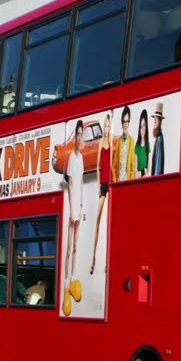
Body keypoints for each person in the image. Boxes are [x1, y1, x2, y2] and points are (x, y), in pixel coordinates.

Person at [63, 119, 86, 315]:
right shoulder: (71, 157)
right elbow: (70, 184)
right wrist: (72, 208)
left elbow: (80, 184)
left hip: (78, 204)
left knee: (76, 246)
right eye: (77, 134)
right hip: (72, 206)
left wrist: (81, 205)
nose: (79, 138)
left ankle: (72, 278)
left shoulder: (82, 158)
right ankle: (65, 287)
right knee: (69, 248)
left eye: (81, 135)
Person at [90, 112, 114, 275]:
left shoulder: (110, 142)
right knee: (97, 219)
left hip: (110, 182)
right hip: (103, 184)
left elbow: (111, 163)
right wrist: (99, 185)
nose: (106, 129)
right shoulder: (101, 142)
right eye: (105, 126)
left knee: (109, 221)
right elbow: (98, 165)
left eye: (108, 126)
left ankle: (108, 261)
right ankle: (93, 258)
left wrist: (114, 181)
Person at [114, 105, 136, 181]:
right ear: (121, 123)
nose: (125, 124)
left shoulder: (131, 140)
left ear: (129, 122)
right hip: (119, 180)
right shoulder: (118, 141)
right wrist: (115, 181)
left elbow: (133, 166)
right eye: (124, 121)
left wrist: (130, 180)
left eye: (127, 121)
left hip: (127, 181)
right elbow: (114, 165)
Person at [150, 102, 166, 176]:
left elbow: (158, 168)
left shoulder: (159, 139)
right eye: (154, 119)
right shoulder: (158, 138)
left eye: (156, 119)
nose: (154, 122)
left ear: (160, 121)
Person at [134, 109, 150, 178]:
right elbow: (135, 174)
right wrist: (144, 171)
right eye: (141, 126)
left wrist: (141, 174)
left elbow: (149, 172)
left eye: (144, 125)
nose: (142, 129)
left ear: (146, 127)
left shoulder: (148, 145)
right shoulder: (137, 146)